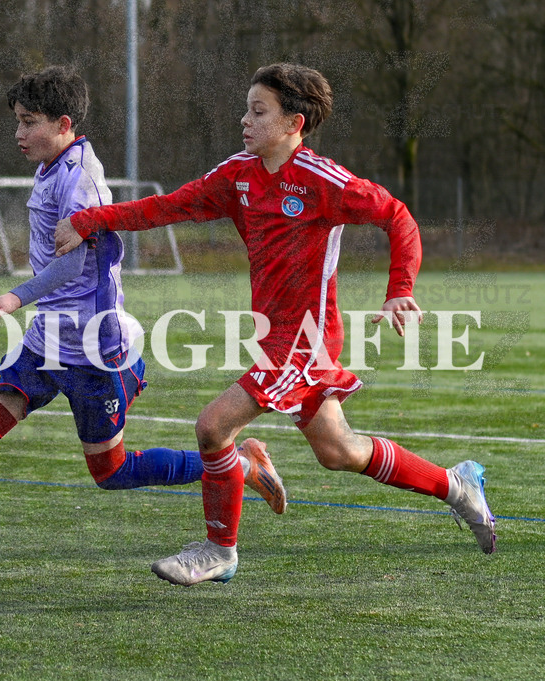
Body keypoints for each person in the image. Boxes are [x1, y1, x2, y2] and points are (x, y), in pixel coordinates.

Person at [54, 63, 496, 587]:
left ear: (295, 123)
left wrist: (401, 288)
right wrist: (90, 220)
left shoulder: (320, 179)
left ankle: (220, 550)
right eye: (246, 108)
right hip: (274, 335)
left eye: (258, 111)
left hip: (305, 338)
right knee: (338, 451)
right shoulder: (237, 175)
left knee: (213, 426)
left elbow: (397, 216)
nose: (244, 120)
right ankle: (457, 485)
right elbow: (166, 207)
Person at [0, 65, 287, 597]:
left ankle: (240, 463)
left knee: (111, 472)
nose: (19, 134)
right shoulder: (53, 165)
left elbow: (71, 269)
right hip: (44, 343)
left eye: (29, 123)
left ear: (64, 123)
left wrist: (12, 297)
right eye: (17, 122)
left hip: (95, 352)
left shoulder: (81, 179)